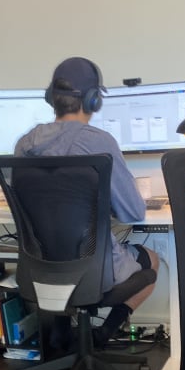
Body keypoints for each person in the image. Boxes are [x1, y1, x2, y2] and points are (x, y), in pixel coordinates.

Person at [14, 56, 159, 346]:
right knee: (152, 259)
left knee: (62, 255)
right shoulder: (99, 142)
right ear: (94, 100)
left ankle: (61, 331)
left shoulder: (25, 143)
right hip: (96, 271)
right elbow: (133, 212)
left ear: (51, 97)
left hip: (41, 268)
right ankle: (104, 334)